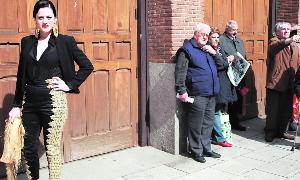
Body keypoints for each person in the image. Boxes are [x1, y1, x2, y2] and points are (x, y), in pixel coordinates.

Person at [8, 0, 94, 179]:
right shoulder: (27, 42)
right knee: (29, 148)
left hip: (54, 103)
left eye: (49, 17)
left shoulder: (65, 42)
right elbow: (21, 75)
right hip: (29, 102)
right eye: (40, 17)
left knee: (52, 148)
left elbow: (87, 66)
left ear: (55, 19)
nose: (45, 21)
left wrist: (69, 85)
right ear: (35, 19)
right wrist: (16, 104)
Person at [175, 23, 221, 163]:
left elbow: (222, 65)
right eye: (203, 34)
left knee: (208, 123)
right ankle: (196, 150)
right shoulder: (186, 50)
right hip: (197, 93)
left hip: (211, 93)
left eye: (207, 35)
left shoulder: (207, 49)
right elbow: (180, 72)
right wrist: (181, 90)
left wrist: (215, 53)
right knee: (196, 124)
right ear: (196, 34)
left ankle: (206, 148)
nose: (205, 37)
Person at [265, 22, 300, 142]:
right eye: (283, 29)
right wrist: (289, 40)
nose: (286, 31)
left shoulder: (294, 45)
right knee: (273, 110)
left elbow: (297, 60)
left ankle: (281, 131)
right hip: (275, 83)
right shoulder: (274, 41)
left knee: (286, 111)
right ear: (277, 31)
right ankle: (270, 131)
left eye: (288, 29)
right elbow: (276, 47)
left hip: (290, 82)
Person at [208, 27, 237, 147]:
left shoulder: (220, 48)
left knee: (220, 109)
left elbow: (224, 62)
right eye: (213, 37)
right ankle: (219, 137)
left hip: (225, 82)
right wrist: (227, 60)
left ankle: (221, 135)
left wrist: (230, 59)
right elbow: (219, 65)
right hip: (216, 83)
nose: (216, 40)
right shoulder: (209, 50)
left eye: (217, 37)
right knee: (215, 110)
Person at [219, 20, 248, 131]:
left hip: (239, 75)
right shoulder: (221, 40)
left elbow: (243, 55)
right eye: (233, 29)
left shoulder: (239, 41)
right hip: (227, 74)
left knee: (237, 99)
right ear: (227, 28)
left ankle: (235, 122)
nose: (235, 32)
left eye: (236, 30)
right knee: (227, 100)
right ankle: (225, 125)